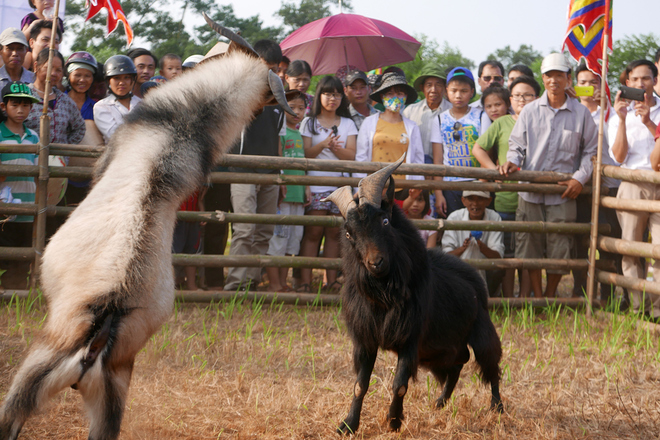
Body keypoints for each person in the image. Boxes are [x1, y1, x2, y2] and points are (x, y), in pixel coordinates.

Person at [501, 53, 598, 298]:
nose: (553, 80)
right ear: (543, 79)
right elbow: (517, 145)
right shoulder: (530, 111)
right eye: (548, 75)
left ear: (568, 78)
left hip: (563, 191)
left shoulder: (581, 113)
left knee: (560, 246)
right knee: (528, 245)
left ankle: (550, 294)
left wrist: (580, 178)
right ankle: (537, 295)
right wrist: (512, 161)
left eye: (559, 74)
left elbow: (591, 152)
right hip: (530, 191)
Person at [223, 39, 288, 292]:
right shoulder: (237, 87)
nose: (268, 72)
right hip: (242, 168)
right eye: (264, 66)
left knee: (263, 230)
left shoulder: (279, 91)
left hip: (270, 171)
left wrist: (280, 174)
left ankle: (251, 281)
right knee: (244, 227)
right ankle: (235, 284)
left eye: (273, 67)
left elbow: (280, 137)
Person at [473, 75, 541, 297]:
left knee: (530, 250)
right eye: (518, 96)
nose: (522, 100)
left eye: (527, 95)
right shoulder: (502, 123)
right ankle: (510, 299)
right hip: (506, 199)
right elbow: (478, 149)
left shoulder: (543, 121)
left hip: (535, 197)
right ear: (511, 99)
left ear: (537, 98)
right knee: (509, 251)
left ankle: (527, 297)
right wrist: (494, 171)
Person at [609, 59, 660, 318]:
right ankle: (639, 307)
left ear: (655, 80)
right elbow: (618, 156)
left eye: (647, 78)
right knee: (630, 248)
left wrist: (650, 121)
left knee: (659, 250)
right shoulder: (618, 113)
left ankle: (658, 310)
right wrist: (620, 120)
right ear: (627, 83)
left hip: (659, 182)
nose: (641, 84)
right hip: (631, 183)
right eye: (635, 79)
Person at [297, 76, 357, 293]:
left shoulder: (348, 123)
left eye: (337, 94)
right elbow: (305, 155)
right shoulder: (309, 122)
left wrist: (335, 149)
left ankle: (330, 280)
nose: (333, 98)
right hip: (315, 184)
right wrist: (324, 144)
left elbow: (351, 156)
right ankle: (304, 280)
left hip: (340, 187)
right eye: (328, 93)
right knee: (313, 232)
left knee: (335, 234)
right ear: (319, 95)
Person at [572, 63, 622, 301]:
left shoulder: (612, 113)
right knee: (580, 239)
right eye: (583, 82)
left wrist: (606, 107)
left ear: (604, 86)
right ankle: (580, 288)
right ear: (575, 85)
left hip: (609, 185)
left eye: (594, 82)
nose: (589, 87)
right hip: (580, 186)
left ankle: (609, 293)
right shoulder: (571, 111)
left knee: (609, 239)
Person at [354, 72, 424, 207]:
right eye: (390, 94)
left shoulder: (412, 126)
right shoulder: (369, 123)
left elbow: (418, 160)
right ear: (382, 96)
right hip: (373, 187)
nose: (395, 98)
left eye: (400, 94)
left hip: (402, 188)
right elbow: (361, 158)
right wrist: (359, 187)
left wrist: (416, 186)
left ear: (405, 97)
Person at [265, 94, 309, 292]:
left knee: (293, 242)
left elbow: (302, 166)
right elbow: (279, 160)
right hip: (284, 196)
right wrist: (281, 182)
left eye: (301, 108)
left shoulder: (298, 133)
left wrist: (306, 186)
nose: (296, 112)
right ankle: (274, 283)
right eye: (292, 107)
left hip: (298, 195)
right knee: (278, 241)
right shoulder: (280, 133)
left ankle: (283, 282)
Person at [430, 67, 482, 218]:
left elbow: (487, 152)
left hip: (475, 182)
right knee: (453, 230)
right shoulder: (439, 119)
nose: (458, 95)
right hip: (450, 185)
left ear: (472, 92)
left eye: (464, 91)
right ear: (447, 92)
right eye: (454, 90)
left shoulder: (480, 116)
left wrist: (482, 184)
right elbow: (438, 160)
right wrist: (439, 194)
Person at [0, 81, 40, 241]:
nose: (20, 110)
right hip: (3, 206)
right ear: (4, 106)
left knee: (23, 258)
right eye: (15, 105)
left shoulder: (34, 136)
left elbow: (38, 171)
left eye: (25, 105)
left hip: (28, 206)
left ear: (31, 108)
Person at [441, 190, 504, 291]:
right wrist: (463, 249)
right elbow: (446, 256)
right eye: (471, 199)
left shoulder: (494, 218)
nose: (475, 203)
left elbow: (498, 256)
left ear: (488, 201)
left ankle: (488, 296)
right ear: (463, 201)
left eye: (480, 199)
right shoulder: (454, 217)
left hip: (486, 272)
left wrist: (481, 246)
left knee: (497, 269)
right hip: (458, 271)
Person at [26, 48, 85, 149]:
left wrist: (64, 148)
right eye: (49, 68)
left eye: (58, 70)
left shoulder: (66, 101)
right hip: (28, 160)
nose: (53, 73)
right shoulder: (24, 96)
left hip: (58, 161)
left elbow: (80, 128)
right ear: (36, 66)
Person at [64, 51, 101, 205]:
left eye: (87, 76)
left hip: (90, 177)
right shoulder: (59, 102)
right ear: (68, 75)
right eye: (77, 74)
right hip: (62, 175)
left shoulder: (97, 107)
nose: (82, 80)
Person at [403, 63, 451, 164]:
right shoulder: (410, 111)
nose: (433, 90)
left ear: (445, 87)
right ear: (422, 87)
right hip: (414, 169)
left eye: (438, 85)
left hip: (444, 170)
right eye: (429, 85)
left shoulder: (451, 111)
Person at [93, 55, 141, 144]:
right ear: (108, 81)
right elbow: (114, 136)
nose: (122, 83)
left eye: (126, 77)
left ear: (133, 80)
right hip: (117, 154)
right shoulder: (101, 107)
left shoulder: (142, 104)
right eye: (116, 78)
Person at [471, 60, 506, 133]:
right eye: (487, 78)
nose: (492, 81)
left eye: (497, 78)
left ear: (502, 81)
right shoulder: (470, 110)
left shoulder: (513, 110)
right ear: (479, 81)